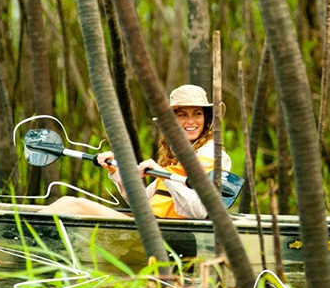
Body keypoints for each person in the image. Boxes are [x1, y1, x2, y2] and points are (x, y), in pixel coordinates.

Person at [41, 84, 231, 220]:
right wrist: (116, 172)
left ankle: (19, 239)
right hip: (153, 224)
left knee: (72, 204)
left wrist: (163, 174)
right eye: (182, 115)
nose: (191, 121)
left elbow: (198, 210)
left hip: (168, 232)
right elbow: (141, 201)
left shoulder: (212, 154)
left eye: (197, 113)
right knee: (69, 205)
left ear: (206, 119)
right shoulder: (176, 158)